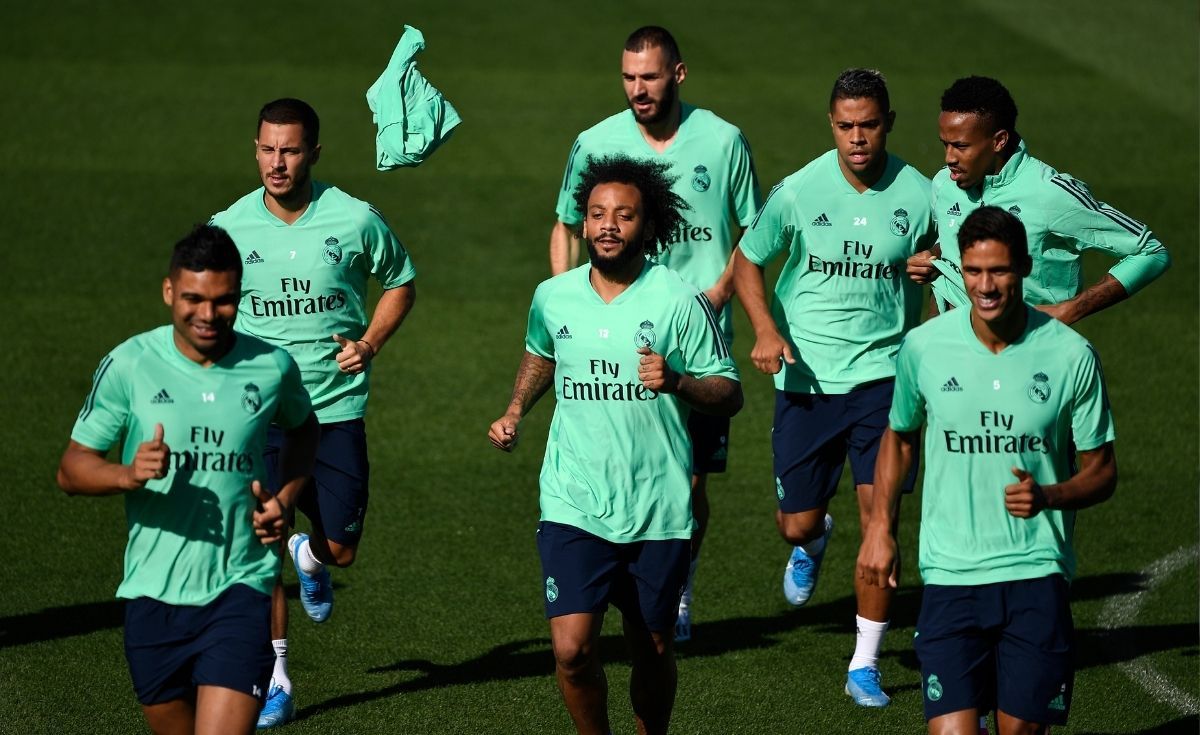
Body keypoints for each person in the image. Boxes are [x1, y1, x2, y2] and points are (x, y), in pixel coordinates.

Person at [494, 154, 742, 734]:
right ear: (583, 223)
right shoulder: (552, 295)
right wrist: (515, 409)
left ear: (649, 226)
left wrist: (678, 381)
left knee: (651, 648)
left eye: (624, 216)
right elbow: (542, 353)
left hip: (656, 507)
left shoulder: (679, 300)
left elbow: (729, 392)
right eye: (597, 214)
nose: (608, 225)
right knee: (571, 651)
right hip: (573, 499)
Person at [858, 206, 1117, 734]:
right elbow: (900, 437)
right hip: (950, 574)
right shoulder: (924, 347)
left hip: (1036, 573)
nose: (985, 286)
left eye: (998, 270)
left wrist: (1049, 496)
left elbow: (1102, 472)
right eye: (973, 271)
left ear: (1024, 267)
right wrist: (880, 528)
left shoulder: (1071, 355)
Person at [57, 224, 319, 735]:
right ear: (169, 291)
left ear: (239, 295)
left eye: (223, 301)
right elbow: (71, 469)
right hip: (154, 594)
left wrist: (286, 498)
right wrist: (127, 474)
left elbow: (304, 429)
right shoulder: (129, 364)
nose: (207, 314)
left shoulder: (271, 367)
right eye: (193, 299)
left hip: (241, 587)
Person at [209, 98, 418, 727]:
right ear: (255, 150)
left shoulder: (355, 219)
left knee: (341, 549)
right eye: (268, 149)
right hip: (261, 417)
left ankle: (313, 555)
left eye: (291, 150)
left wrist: (370, 343)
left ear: (314, 153)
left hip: (334, 409)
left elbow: (401, 281)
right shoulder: (228, 228)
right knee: (261, 548)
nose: (278, 162)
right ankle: (276, 679)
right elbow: (205, 308)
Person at [549, 25, 762, 641]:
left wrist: (714, 297)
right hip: (613, 339)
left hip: (697, 341)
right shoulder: (595, 143)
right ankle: (611, 581)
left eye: (649, 77)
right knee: (618, 462)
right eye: (629, 78)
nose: (638, 89)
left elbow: (753, 232)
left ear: (678, 74)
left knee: (689, 481)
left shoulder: (723, 141)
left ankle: (678, 589)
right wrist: (567, 299)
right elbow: (565, 224)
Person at [732, 69, 935, 707]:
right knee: (793, 523)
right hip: (807, 379)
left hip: (885, 380)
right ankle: (813, 539)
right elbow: (747, 259)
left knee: (881, 523)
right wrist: (765, 330)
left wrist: (935, 266)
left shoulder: (922, 194)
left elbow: (957, 268)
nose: (857, 138)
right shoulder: (798, 191)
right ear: (831, 124)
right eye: (846, 126)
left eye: (868, 125)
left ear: (889, 123)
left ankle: (864, 663)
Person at [908, 75, 1169, 321]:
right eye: (945, 144)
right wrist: (933, 254)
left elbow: (1151, 252)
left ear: (999, 141)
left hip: (1020, 347)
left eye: (960, 146)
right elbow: (952, 236)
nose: (949, 158)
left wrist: (1071, 309)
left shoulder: (1050, 194)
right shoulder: (945, 183)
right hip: (944, 343)